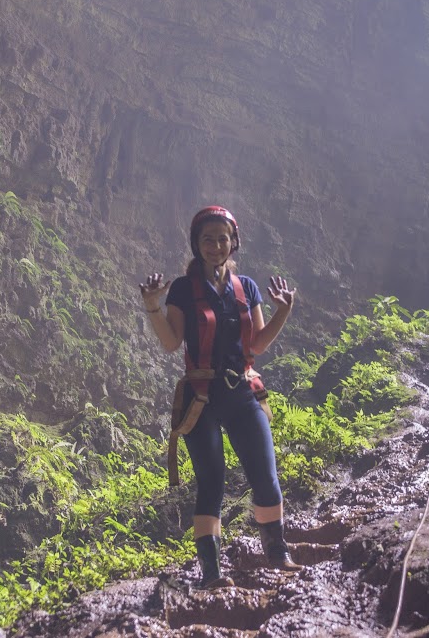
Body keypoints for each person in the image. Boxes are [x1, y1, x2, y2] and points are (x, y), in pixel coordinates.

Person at [140, 205, 302, 589]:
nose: (215, 245)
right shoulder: (182, 288)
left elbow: (258, 344)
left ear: (234, 242)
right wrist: (152, 305)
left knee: (265, 474)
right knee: (212, 481)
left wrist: (283, 311)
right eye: (207, 239)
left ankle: (278, 555)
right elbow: (170, 342)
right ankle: (211, 574)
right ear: (197, 244)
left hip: (243, 391)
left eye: (222, 238)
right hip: (201, 398)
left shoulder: (247, 286)